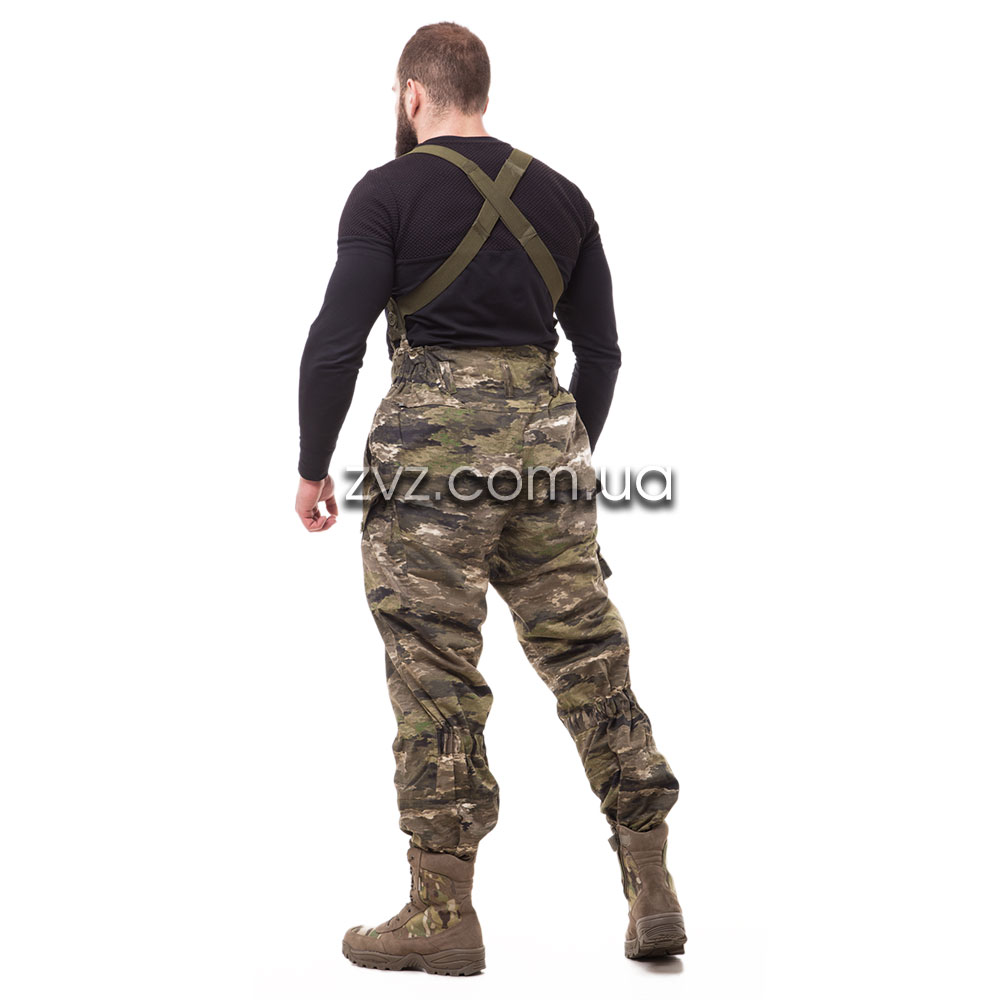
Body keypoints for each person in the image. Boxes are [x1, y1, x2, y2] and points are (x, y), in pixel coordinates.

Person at [295, 21, 686, 976]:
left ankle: (443, 912)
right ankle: (652, 886)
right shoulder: (562, 196)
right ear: (482, 91)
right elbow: (602, 353)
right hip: (547, 453)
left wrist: (312, 464)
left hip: (427, 462)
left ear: (412, 94)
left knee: (435, 665)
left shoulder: (387, 192)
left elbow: (335, 343)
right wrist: (561, 458)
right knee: (589, 655)